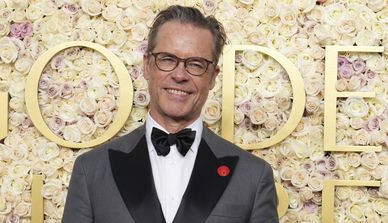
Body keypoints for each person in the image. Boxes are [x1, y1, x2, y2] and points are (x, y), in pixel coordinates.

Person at [62, 5, 278, 223]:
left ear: (213, 77)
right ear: (147, 66)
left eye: (196, 64)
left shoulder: (253, 176)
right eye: (167, 59)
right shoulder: (91, 170)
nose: (180, 75)